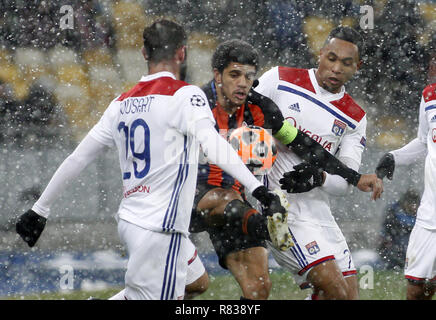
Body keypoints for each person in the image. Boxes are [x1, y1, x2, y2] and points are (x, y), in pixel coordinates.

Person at [14, 19, 290, 300]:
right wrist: (259, 191)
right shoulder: (185, 95)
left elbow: (78, 157)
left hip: (132, 220)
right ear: (182, 53)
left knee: (196, 282)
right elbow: (214, 144)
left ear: (144, 54)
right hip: (161, 228)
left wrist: (40, 209)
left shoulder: (120, 103)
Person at [186, 38, 383, 300]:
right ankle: (270, 227)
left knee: (258, 290)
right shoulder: (195, 104)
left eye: (248, 76)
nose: (243, 83)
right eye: (235, 75)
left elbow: (302, 143)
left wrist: (353, 177)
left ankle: (268, 225)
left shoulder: (261, 107)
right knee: (195, 276)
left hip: (245, 203)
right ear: (217, 75)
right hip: (196, 200)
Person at [254, 26, 382, 300]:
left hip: (319, 212)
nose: (336, 68)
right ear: (320, 54)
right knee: (333, 289)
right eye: (332, 58)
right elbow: (242, 124)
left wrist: (319, 178)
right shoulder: (279, 79)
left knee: (347, 296)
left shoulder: (355, 118)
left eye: (346, 63)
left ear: (357, 67)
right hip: (280, 207)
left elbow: (344, 183)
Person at [375, 82, 436, 300]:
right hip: (430, 216)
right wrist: (395, 157)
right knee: (416, 290)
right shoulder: (430, 96)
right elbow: (424, 141)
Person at [377, 188, 420, 270]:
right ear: (405, 202)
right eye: (411, 204)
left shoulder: (422, 213)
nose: (413, 207)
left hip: (413, 248)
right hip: (395, 247)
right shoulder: (394, 211)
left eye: (415, 204)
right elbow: (385, 230)